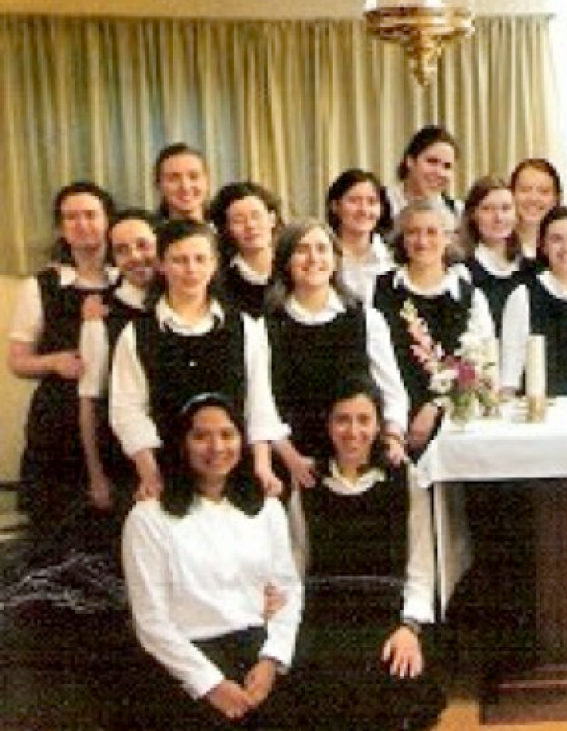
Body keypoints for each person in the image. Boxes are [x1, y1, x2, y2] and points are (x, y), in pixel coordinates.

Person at [120, 393, 301, 729]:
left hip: (259, 658)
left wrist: (272, 659)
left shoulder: (267, 509)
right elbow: (150, 621)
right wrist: (210, 685)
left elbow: (288, 590)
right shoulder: (148, 519)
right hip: (185, 665)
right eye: (201, 436)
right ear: (182, 444)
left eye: (227, 434)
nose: (216, 447)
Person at [286, 379, 453, 731]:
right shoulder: (309, 482)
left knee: (392, 683)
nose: (353, 431)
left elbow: (421, 565)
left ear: (379, 425)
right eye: (342, 419)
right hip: (326, 618)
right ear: (328, 424)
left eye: (364, 419)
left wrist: (409, 628)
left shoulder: (403, 478)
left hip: (387, 615)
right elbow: (296, 562)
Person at [109, 219, 288, 500]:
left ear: (214, 264)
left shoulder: (245, 327)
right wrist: (150, 474)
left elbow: (259, 402)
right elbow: (127, 410)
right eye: (179, 260)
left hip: (234, 470)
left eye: (200, 259)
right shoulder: (136, 334)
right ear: (161, 265)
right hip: (167, 473)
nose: (191, 269)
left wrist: (262, 467)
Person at [263, 219, 409, 487]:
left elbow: (392, 390)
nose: (313, 258)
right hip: (294, 460)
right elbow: (262, 403)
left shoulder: (366, 319)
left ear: (335, 259)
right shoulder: (265, 325)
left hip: (358, 456)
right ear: (285, 261)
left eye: (322, 249)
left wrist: (392, 436)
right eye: (302, 250)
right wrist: (291, 458)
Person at [8, 182, 115, 533]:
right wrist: (53, 362)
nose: (82, 224)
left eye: (91, 215)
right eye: (71, 217)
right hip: (59, 420)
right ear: (60, 228)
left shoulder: (127, 279)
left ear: (108, 220)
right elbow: (17, 361)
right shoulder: (40, 286)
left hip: (115, 414)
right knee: (56, 529)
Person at [372, 199, 495, 470]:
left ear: (448, 238)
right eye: (413, 232)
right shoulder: (379, 290)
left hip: (451, 422)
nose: (422, 241)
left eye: (431, 232)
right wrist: (396, 422)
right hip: (390, 423)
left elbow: (479, 365)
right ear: (402, 239)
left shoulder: (470, 297)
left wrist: (436, 408)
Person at [78, 209, 159, 525]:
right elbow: (89, 401)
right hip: (125, 460)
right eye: (122, 250)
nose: (135, 256)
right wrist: (95, 474)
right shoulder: (100, 315)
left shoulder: (182, 301)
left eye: (143, 245)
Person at [501, 206, 567, 396]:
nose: (566, 248)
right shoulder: (523, 296)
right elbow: (510, 369)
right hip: (541, 405)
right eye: (556, 239)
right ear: (543, 245)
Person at [460, 176, 529, 335]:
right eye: (488, 209)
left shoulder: (531, 269)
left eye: (506, 208)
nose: (498, 217)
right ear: (473, 214)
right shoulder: (463, 272)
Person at [209, 182, 282, 317]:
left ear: (272, 219)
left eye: (256, 216)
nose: (250, 225)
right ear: (227, 229)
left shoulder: (292, 271)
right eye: (238, 220)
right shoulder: (220, 281)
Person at [326, 168, 394, 304]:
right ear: (335, 206)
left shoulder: (393, 257)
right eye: (354, 201)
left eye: (372, 202)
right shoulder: (322, 256)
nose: (364, 210)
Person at [387, 125, 462, 220]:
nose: (439, 172)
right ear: (410, 161)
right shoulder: (379, 203)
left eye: (447, 166)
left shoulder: (458, 213)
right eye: (432, 161)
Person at [510, 158, 562, 260]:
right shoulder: (496, 247)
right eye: (525, 190)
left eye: (543, 191)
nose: (533, 198)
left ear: (556, 198)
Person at [153, 143, 210, 222]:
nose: (185, 186)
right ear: (159, 185)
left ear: (207, 181)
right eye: (174, 179)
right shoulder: (147, 229)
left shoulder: (224, 228)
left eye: (193, 176)